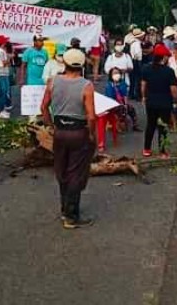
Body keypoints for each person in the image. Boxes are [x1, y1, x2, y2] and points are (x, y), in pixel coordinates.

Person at [40, 48, 96, 229]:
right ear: (82, 65)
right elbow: (91, 116)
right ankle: (71, 216)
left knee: (61, 170)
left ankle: (65, 208)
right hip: (78, 132)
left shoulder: (52, 81)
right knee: (75, 173)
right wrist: (92, 134)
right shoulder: (86, 85)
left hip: (60, 132)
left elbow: (43, 107)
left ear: (64, 63)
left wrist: (50, 126)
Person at [141, 43, 177, 158]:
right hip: (165, 102)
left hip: (151, 101)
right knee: (163, 127)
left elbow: (143, 85)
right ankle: (162, 151)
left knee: (150, 125)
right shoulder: (169, 71)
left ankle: (146, 149)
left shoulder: (146, 68)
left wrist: (144, 97)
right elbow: (173, 89)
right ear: (164, 58)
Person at [105, 66, 140, 132]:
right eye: (114, 73)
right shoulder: (109, 85)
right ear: (111, 75)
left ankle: (135, 125)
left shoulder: (122, 84)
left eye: (117, 73)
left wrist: (125, 104)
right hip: (111, 104)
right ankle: (120, 124)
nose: (116, 75)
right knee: (121, 109)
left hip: (121, 103)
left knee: (131, 108)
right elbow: (110, 98)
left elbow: (125, 95)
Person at [0, 36, 13, 119]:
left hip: (0, 74)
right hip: (2, 74)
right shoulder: (0, 51)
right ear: (3, 43)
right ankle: (0, 111)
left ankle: (3, 108)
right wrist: (10, 58)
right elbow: (4, 63)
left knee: (3, 92)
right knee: (3, 92)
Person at [128, 28, 145, 100]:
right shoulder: (137, 43)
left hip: (133, 60)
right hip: (137, 61)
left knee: (132, 79)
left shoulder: (133, 43)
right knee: (138, 79)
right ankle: (138, 95)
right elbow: (138, 54)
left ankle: (131, 94)